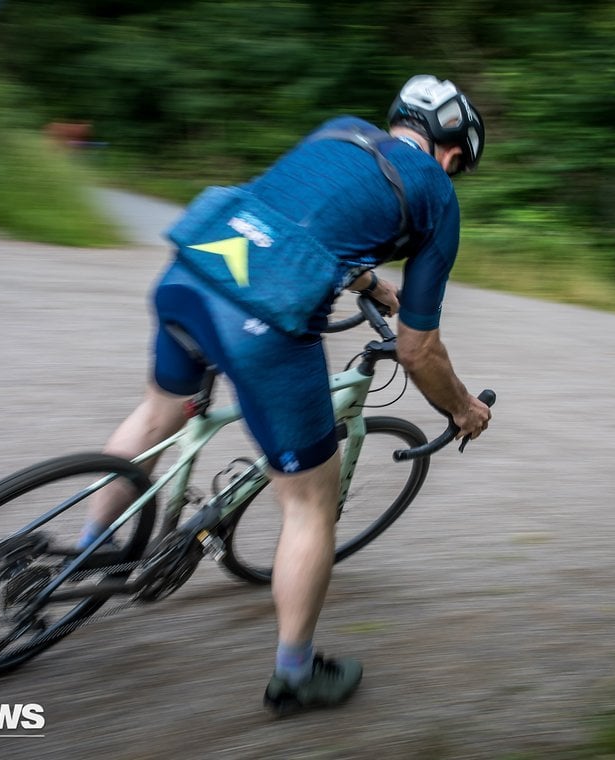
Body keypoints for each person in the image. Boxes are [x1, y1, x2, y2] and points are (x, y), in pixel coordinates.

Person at [80, 74, 492, 715]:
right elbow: (418, 351)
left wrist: (371, 285)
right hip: (260, 324)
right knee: (308, 505)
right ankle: (295, 675)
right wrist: (462, 409)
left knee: (159, 411)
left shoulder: (341, 130)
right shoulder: (437, 195)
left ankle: (84, 549)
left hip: (193, 270)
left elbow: (306, 215)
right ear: (453, 153)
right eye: (459, 163)